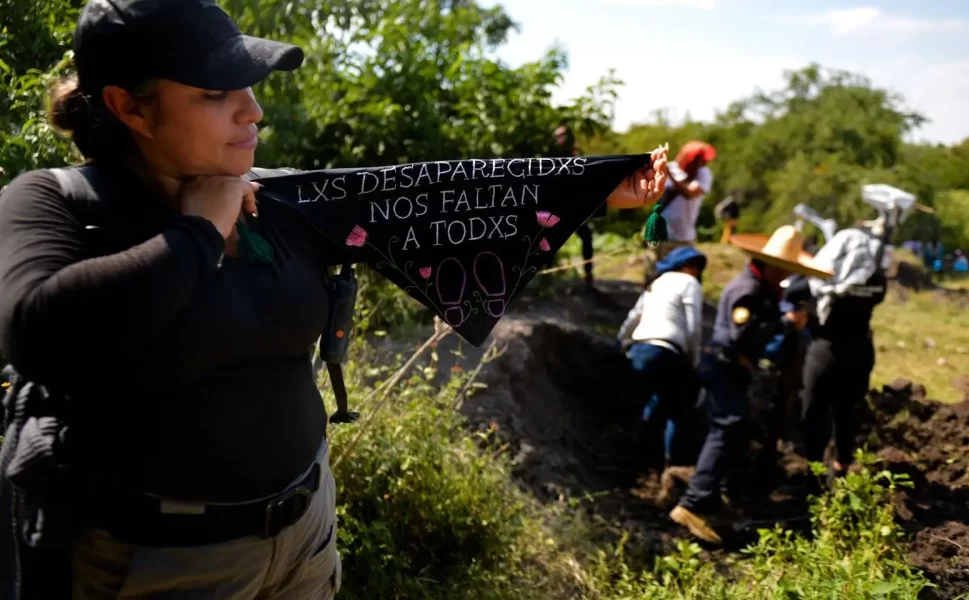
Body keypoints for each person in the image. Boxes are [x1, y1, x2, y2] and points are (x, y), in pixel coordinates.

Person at [0, 1, 670, 598]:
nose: (253, 111)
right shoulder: (54, 203)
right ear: (128, 106)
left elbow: (427, 197)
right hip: (160, 564)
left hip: (304, 538)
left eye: (250, 88)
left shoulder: (280, 201)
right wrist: (200, 229)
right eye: (215, 93)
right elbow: (39, 334)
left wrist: (595, 187)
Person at [668, 226, 831, 544]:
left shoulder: (765, 290)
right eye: (783, 268)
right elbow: (741, 335)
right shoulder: (749, 290)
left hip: (736, 368)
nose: (785, 275)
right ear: (768, 264)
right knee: (729, 426)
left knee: (737, 430)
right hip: (724, 365)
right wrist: (785, 324)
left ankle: (719, 498)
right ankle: (692, 504)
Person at [801, 193, 913, 487]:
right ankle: (841, 464)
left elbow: (800, 290)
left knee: (814, 410)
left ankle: (812, 472)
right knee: (847, 410)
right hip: (860, 350)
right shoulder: (875, 281)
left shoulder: (822, 287)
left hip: (825, 350)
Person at [617, 246, 708, 472]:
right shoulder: (690, 283)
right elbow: (694, 326)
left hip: (640, 350)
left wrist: (620, 341)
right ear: (684, 267)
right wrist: (694, 360)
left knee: (655, 399)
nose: (697, 272)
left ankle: (637, 459)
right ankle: (672, 466)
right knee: (679, 409)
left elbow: (634, 316)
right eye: (694, 267)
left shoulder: (657, 284)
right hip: (667, 351)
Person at [645, 140, 716, 259]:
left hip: (683, 239)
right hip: (660, 235)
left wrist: (671, 177)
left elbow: (690, 193)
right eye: (697, 160)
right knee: (654, 272)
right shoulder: (666, 168)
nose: (701, 164)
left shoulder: (703, 174)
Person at [548, 125, 596, 287]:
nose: (560, 139)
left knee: (587, 237)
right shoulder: (550, 155)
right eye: (557, 136)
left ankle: (588, 274)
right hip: (556, 205)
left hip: (573, 206)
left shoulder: (576, 156)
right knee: (547, 239)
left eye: (562, 136)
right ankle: (546, 277)